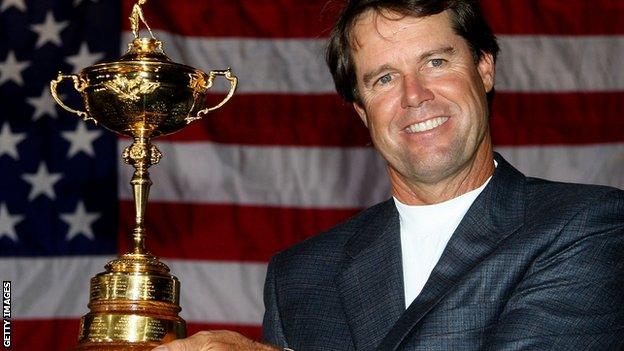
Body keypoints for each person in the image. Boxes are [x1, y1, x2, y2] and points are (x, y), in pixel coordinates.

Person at [154, 0, 624, 350]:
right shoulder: (299, 275)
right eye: (383, 78)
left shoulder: (588, 227)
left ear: (484, 69)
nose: (414, 95)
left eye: (435, 62)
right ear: (361, 110)